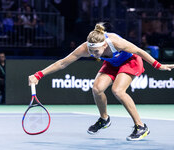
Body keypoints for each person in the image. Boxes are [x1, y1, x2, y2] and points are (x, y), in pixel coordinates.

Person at [28, 23, 174, 141]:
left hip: (130, 61)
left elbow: (139, 51)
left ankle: (141, 126)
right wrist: (39, 74)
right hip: (112, 63)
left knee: (117, 90)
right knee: (96, 88)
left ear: (104, 46)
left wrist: (158, 65)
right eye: (91, 51)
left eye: (96, 52)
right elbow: (62, 63)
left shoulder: (116, 42)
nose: (92, 54)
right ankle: (104, 119)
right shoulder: (86, 48)